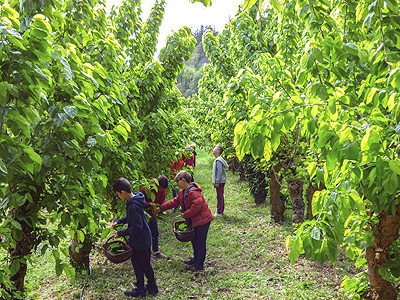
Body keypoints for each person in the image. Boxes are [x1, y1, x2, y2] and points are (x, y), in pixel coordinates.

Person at [156, 170, 214, 271]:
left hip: (202, 220)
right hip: (194, 221)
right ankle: (196, 259)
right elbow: (173, 202)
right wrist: (161, 208)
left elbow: (197, 207)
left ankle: (199, 264)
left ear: (183, 180)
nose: (177, 183)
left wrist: (185, 214)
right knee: (194, 240)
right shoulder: (182, 192)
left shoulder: (194, 192)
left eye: (177, 181)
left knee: (200, 242)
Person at [111, 178, 158, 298]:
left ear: (122, 192)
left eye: (117, 194)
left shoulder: (133, 206)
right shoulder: (137, 198)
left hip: (140, 241)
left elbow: (137, 226)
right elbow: (131, 217)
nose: (118, 197)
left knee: (142, 265)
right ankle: (145, 288)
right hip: (141, 239)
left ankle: (145, 290)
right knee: (140, 264)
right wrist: (119, 222)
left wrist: (120, 233)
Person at [140, 175, 169, 260]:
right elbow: (140, 202)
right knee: (146, 235)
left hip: (154, 215)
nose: (161, 190)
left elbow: (162, 200)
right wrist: (149, 204)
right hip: (146, 215)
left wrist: (159, 208)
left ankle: (156, 251)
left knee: (155, 233)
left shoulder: (163, 189)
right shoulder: (146, 189)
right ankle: (147, 254)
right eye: (160, 188)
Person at [212, 145, 229, 217]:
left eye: (214, 149)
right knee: (220, 195)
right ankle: (221, 211)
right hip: (221, 181)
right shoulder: (219, 159)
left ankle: (219, 212)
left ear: (218, 151)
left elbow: (219, 171)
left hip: (220, 181)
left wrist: (217, 181)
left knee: (219, 196)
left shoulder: (218, 160)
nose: (213, 150)